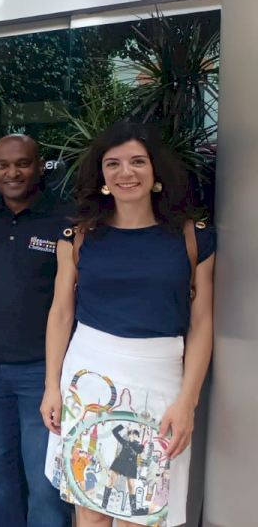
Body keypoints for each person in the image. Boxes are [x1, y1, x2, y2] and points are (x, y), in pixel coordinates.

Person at [41, 121, 215, 526]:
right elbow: (61, 313)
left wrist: (187, 402)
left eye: (138, 161)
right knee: (89, 509)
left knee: (142, 511)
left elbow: (202, 323)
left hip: (160, 380)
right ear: (101, 175)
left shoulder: (193, 237)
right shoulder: (78, 235)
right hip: (88, 378)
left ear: (156, 171)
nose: (126, 172)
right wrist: (51, 386)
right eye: (113, 163)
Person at [0, 135, 70, 527]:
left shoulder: (65, 220)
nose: (13, 173)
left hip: (43, 372)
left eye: (22, 163)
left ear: (40, 167)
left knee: (44, 481)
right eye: (3, 165)